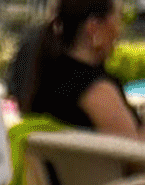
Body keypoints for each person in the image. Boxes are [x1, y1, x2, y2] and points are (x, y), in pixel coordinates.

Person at [7, 0, 142, 137]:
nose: (119, 31)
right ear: (93, 28)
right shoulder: (96, 90)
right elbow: (133, 153)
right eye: (119, 18)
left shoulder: (44, 77)